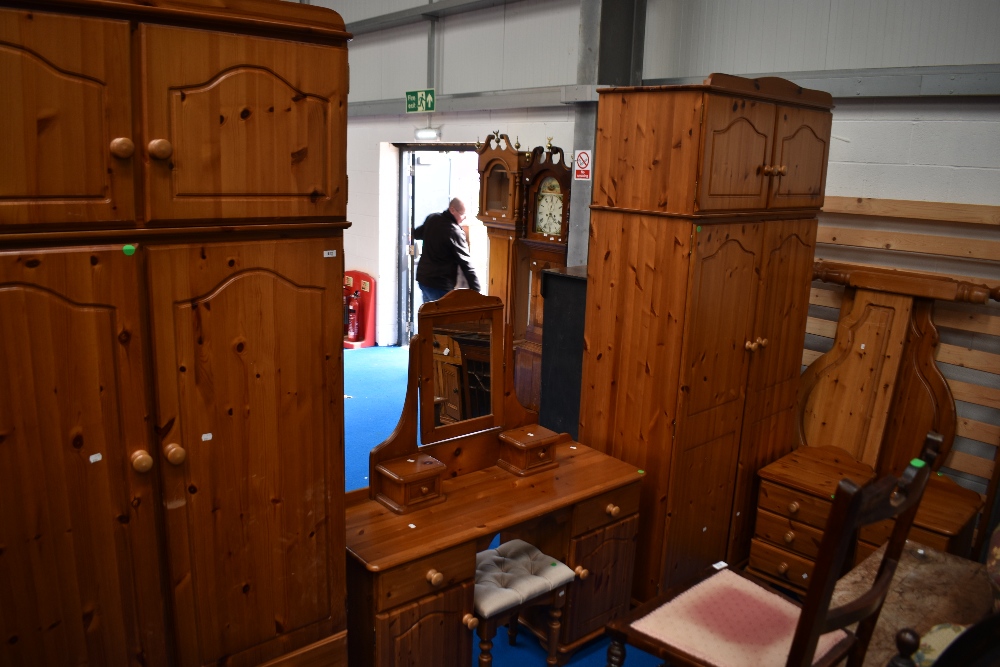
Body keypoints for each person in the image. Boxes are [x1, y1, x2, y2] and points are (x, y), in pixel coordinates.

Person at [413, 197, 481, 302]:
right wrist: (476, 291)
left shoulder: (432, 218)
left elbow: (417, 234)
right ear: (452, 210)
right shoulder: (454, 231)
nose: (464, 218)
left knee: (428, 316)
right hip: (440, 285)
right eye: (462, 214)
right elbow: (466, 263)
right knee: (443, 317)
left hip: (423, 280)